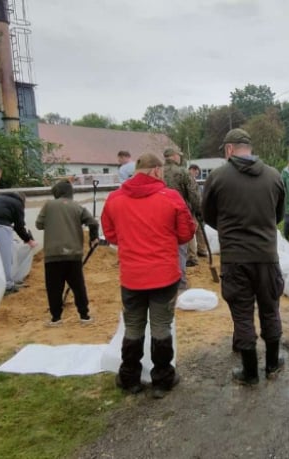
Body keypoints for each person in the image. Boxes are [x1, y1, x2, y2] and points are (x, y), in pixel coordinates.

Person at [101, 153, 196, 398]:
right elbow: (185, 234)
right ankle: (162, 379)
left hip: (132, 275)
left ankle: (129, 377)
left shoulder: (114, 199)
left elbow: (110, 235)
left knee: (133, 326)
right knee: (161, 326)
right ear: (155, 171)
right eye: (162, 172)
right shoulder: (171, 198)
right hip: (164, 274)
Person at [203, 128, 287, 386]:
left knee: (242, 313)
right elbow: (279, 215)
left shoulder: (217, 177)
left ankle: (250, 372)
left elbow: (207, 215)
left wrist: (231, 230)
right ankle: (272, 365)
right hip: (266, 256)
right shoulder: (274, 176)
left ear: (229, 149)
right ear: (248, 147)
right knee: (270, 309)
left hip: (235, 258)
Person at [36, 180, 99, 325]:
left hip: (53, 254)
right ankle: (84, 316)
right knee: (78, 286)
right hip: (74, 254)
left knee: (54, 288)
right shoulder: (77, 206)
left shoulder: (48, 205)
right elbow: (93, 222)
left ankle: (56, 318)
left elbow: (39, 225)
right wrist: (93, 238)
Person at [0, 192, 37, 293]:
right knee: (5, 256)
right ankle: (7, 285)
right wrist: (28, 240)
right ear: (23, 201)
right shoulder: (17, 203)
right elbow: (19, 226)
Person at [162, 147, 202, 278]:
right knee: (187, 233)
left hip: (162, 211)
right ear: (174, 156)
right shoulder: (182, 172)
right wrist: (198, 210)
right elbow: (194, 193)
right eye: (179, 155)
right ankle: (191, 258)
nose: (180, 158)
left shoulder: (158, 172)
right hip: (182, 210)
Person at [188, 164, 208, 258]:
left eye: (197, 173)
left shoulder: (194, 182)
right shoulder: (188, 180)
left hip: (197, 209)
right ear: (191, 170)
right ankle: (192, 255)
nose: (196, 174)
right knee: (192, 230)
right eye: (195, 172)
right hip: (191, 209)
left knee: (200, 229)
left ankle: (202, 250)